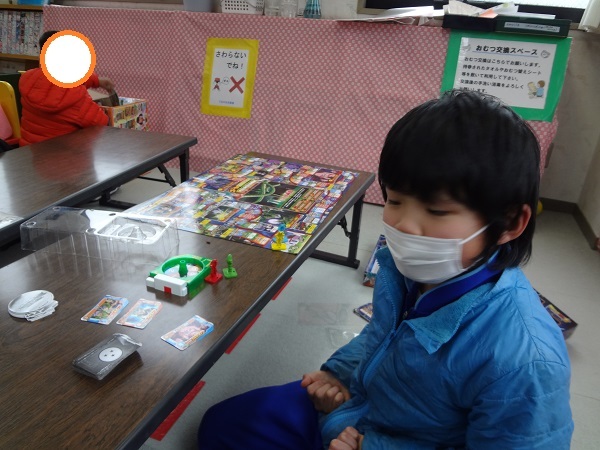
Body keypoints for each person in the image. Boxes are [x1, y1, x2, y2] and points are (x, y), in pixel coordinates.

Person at [196, 89, 573, 449]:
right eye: (394, 200)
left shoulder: (527, 361)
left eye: (436, 211)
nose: (404, 225)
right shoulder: (410, 272)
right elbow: (383, 336)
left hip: (392, 438)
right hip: (357, 408)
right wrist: (338, 373)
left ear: (510, 222)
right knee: (221, 425)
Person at [18, 30, 115, 147]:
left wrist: (97, 81)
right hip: (65, 156)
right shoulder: (76, 97)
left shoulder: (28, 80)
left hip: (28, 152)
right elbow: (102, 123)